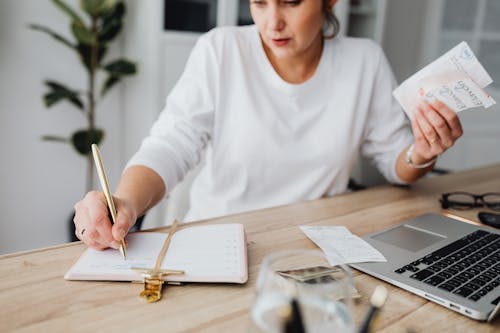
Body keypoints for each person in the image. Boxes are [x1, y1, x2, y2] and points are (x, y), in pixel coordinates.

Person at [73, 0, 463, 250]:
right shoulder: (221, 49)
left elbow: (397, 161)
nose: (272, 21)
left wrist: (420, 153)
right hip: (218, 245)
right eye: (259, 2)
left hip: (316, 249)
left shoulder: (365, 61)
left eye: (291, 2)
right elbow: (172, 143)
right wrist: (123, 202)